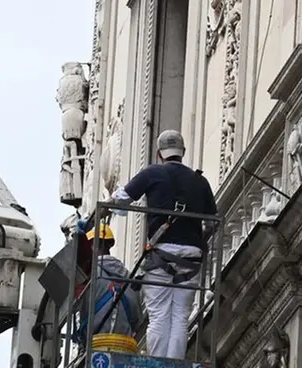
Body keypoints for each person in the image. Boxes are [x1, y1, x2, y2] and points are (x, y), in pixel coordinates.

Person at [107, 129, 217, 359]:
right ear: (183, 152)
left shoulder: (152, 173)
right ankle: (174, 364)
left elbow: (121, 200)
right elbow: (212, 222)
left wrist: (104, 208)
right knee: (180, 316)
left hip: (161, 256)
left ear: (159, 154)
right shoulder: (200, 181)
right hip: (191, 259)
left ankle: (158, 364)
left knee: (159, 315)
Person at [73, 224, 143, 345]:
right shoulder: (130, 279)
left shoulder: (88, 274)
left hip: (95, 345)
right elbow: (138, 321)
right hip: (124, 346)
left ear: (93, 244)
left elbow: (72, 306)